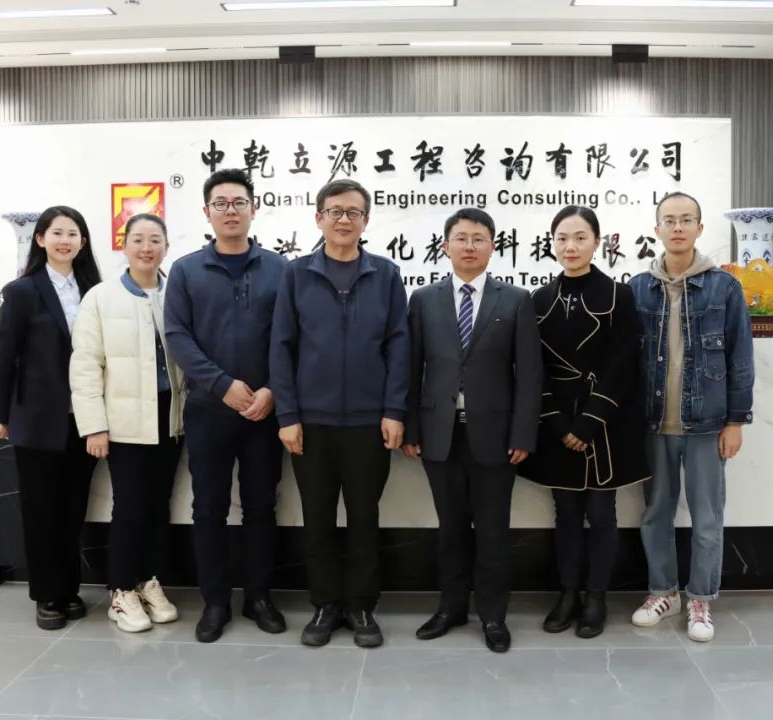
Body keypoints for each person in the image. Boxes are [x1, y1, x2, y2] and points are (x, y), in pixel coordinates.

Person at [270, 178, 410, 649]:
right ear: (319, 218)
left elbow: (399, 346)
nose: (344, 220)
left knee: (365, 518)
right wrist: (287, 415)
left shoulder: (385, 275)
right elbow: (281, 347)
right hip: (311, 423)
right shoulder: (296, 274)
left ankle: (362, 606)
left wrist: (394, 410)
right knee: (318, 519)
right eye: (335, 211)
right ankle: (325, 605)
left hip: (370, 423)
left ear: (366, 221)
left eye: (353, 212)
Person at [403, 208, 541, 653]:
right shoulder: (423, 299)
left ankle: (494, 615)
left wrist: (523, 434)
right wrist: (411, 427)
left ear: (492, 246)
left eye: (478, 238)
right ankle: (451, 608)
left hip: (497, 438)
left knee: (494, 532)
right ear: (445, 246)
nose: (469, 246)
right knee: (450, 530)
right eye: (460, 238)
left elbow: (529, 374)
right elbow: (412, 368)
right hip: (439, 434)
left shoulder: (515, 300)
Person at [165, 169, 288, 643]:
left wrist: (271, 389)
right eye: (221, 203)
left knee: (261, 507)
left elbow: (290, 337)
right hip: (208, 411)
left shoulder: (280, 269)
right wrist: (221, 385)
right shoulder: (186, 270)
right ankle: (215, 602)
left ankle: (259, 598)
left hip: (264, 412)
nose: (230, 211)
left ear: (254, 209)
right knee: (208, 509)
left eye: (239, 202)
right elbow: (178, 336)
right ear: (207, 212)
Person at [627, 191, 755, 643]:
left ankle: (700, 598)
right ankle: (663, 592)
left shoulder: (724, 288)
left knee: (707, 517)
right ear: (657, 229)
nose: (677, 227)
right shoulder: (637, 289)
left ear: (700, 228)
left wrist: (736, 421)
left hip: (707, 424)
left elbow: (741, 359)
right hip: (653, 425)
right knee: (655, 514)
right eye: (669, 220)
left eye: (686, 220)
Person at [522, 206, 649, 639]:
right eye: (562, 238)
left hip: (606, 425)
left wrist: (589, 423)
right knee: (566, 514)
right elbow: (532, 369)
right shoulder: (539, 300)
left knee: (601, 512)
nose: (570, 247)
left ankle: (597, 597)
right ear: (552, 244)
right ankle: (568, 594)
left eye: (579, 237)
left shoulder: (618, 295)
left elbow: (623, 365)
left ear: (597, 241)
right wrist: (560, 425)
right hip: (557, 424)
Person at [70, 213, 185, 633]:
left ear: (167, 247)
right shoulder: (100, 298)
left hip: (170, 417)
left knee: (158, 505)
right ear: (124, 245)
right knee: (130, 506)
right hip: (123, 422)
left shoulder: (177, 294)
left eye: (155, 240)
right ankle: (120, 591)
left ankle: (148, 581)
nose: (147, 248)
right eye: (138, 239)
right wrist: (94, 426)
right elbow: (86, 365)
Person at [0, 205, 102, 630]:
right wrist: (3, 414)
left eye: (72, 234)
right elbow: (5, 358)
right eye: (56, 233)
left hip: (84, 419)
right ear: (40, 239)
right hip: (38, 419)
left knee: (73, 510)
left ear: (83, 242)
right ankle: (47, 595)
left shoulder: (94, 289)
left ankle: (69, 588)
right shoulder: (22, 291)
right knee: (40, 511)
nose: (64, 241)